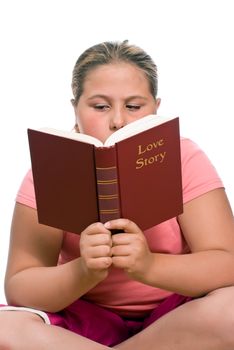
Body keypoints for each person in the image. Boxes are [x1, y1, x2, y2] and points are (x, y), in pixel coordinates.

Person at [0, 40, 234, 350]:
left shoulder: (185, 158)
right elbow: (20, 288)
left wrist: (149, 266)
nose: (118, 120)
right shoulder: (48, 171)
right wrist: (83, 271)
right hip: (83, 321)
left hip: (177, 315)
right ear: (75, 108)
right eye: (100, 106)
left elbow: (227, 264)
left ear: (156, 108)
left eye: (134, 106)